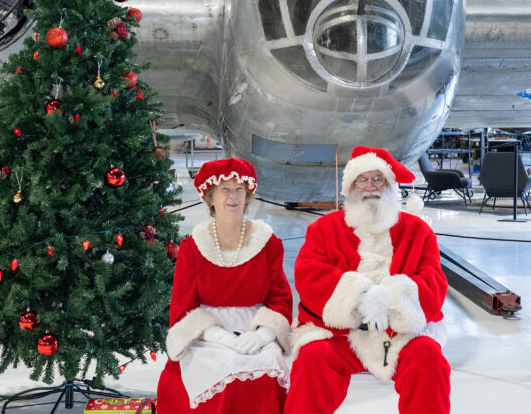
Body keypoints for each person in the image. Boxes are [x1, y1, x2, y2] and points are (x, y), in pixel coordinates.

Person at [286, 146, 450, 414]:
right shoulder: (323, 229)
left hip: (400, 333)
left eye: (378, 179)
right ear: (350, 188)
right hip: (340, 334)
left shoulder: (418, 231)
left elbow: (434, 282)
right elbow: (309, 276)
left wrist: (390, 298)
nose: (370, 187)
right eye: (362, 180)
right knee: (312, 359)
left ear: (390, 185)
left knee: (429, 359)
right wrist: (359, 298)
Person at [156, 158, 292, 413]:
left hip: (253, 325)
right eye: (225, 190)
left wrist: (263, 334)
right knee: (224, 364)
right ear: (210, 198)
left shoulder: (268, 242)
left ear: (248, 195)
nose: (233, 197)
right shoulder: (192, 247)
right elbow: (183, 306)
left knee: (267, 362)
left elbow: (280, 297)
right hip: (207, 332)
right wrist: (219, 337)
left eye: (239, 189)